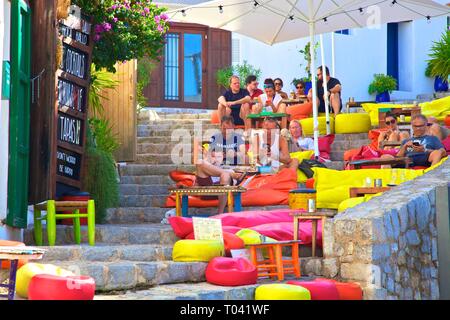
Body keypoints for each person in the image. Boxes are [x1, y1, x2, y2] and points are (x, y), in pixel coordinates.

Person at [195, 116, 245, 213]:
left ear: (233, 127)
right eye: (224, 129)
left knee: (225, 175)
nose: (226, 131)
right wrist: (211, 155)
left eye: (229, 129)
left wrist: (234, 154)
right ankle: (227, 173)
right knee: (199, 162)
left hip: (229, 171)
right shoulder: (215, 137)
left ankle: (220, 213)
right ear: (220, 127)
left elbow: (243, 154)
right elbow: (208, 154)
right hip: (215, 169)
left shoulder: (238, 138)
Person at [382, 114, 446, 167]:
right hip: (407, 160)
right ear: (412, 126)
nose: (418, 128)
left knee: (437, 153)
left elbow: (443, 152)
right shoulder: (406, 141)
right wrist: (404, 147)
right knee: (385, 157)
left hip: (425, 159)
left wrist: (425, 150)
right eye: (415, 126)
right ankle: (387, 180)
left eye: (421, 126)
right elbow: (398, 158)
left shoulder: (432, 138)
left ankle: (432, 176)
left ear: (426, 125)